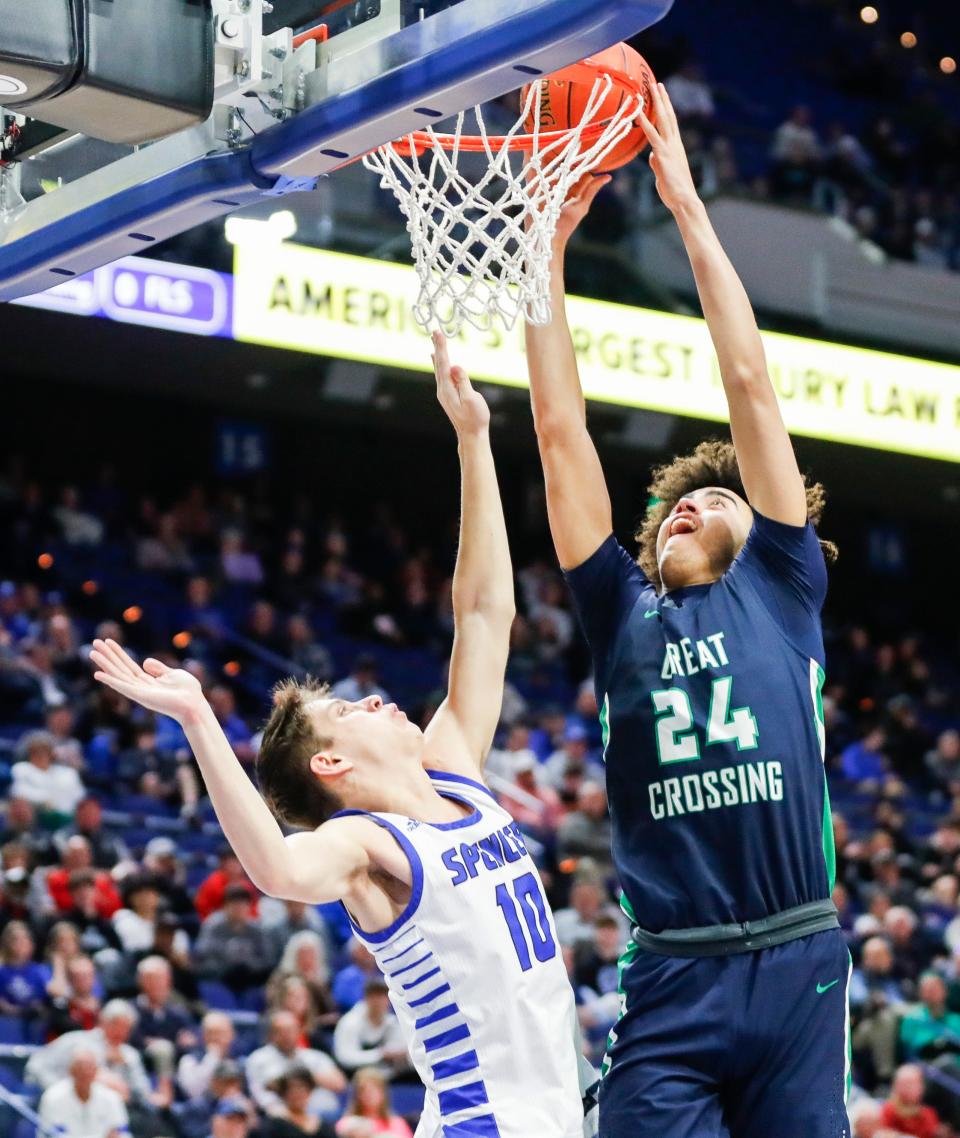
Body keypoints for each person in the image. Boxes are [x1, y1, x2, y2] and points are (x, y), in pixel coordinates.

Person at [90, 334, 585, 1138]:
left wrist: (473, 440)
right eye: (349, 711)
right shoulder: (363, 844)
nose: (377, 701)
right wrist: (200, 720)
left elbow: (487, 613)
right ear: (330, 762)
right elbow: (279, 867)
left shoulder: (454, 772)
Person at [524, 81, 846, 1138]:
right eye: (668, 504)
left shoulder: (785, 585)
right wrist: (542, 256)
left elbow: (749, 381)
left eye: (714, 498)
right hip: (674, 974)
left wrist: (687, 205)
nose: (685, 506)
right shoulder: (621, 609)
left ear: (764, 524)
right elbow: (563, 435)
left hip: (798, 960)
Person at [38, 1047, 129, 1138]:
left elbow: (121, 1133)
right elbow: (52, 1135)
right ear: (71, 1071)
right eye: (80, 1067)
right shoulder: (53, 1097)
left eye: (89, 1067)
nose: (85, 1072)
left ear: (96, 1071)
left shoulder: (111, 1098)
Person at [333, 977, 408, 1078]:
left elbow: (402, 1050)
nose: (378, 1001)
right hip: (353, 1077)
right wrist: (380, 1055)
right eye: (374, 995)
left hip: (388, 1078)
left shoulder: (392, 1022)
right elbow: (345, 1057)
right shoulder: (350, 1022)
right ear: (366, 997)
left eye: (382, 995)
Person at [335, 1068, 414, 1137]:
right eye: (363, 1090)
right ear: (357, 1095)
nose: (369, 1095)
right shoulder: (347, 1123)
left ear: (383, 1093)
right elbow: (340, 1129)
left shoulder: (397, 1123)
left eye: (374, 1090)